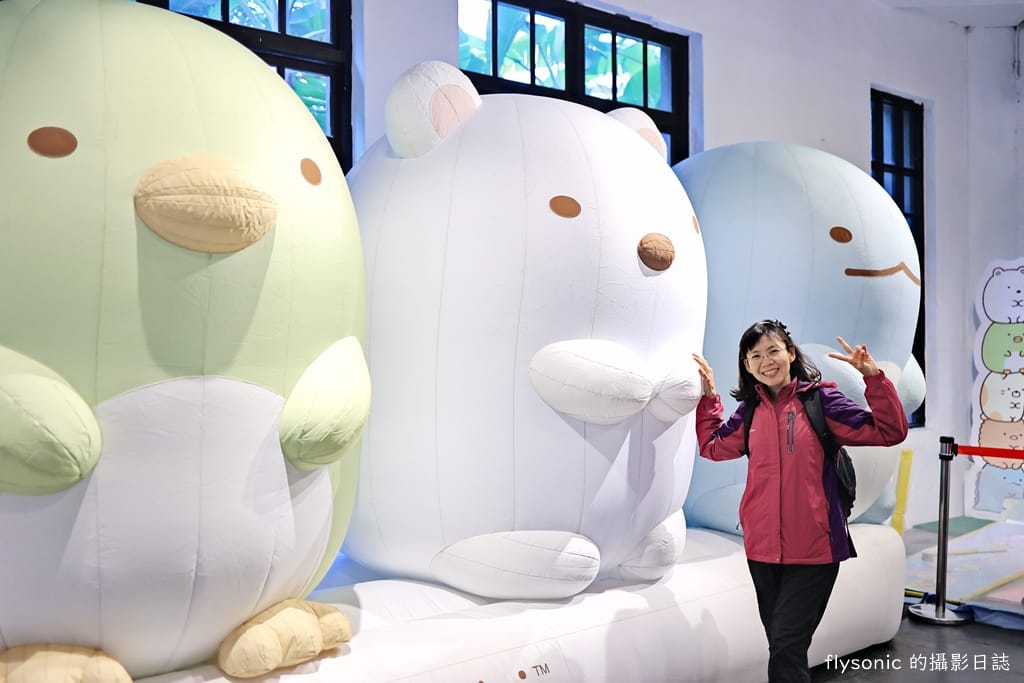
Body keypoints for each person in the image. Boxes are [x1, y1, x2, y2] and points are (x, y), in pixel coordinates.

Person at [691, 319, 908, 683]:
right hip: (762, 549)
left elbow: (890, 431)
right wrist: (709, 396)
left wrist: (874, 379)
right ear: (747, 365)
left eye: (773, 350)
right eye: (755, 355)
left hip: (815, 549)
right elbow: (713, 447)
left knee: (786, 645)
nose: (766, 361)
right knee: (783, 645)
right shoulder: (749, 411)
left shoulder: (821, 401)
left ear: (791, 353)